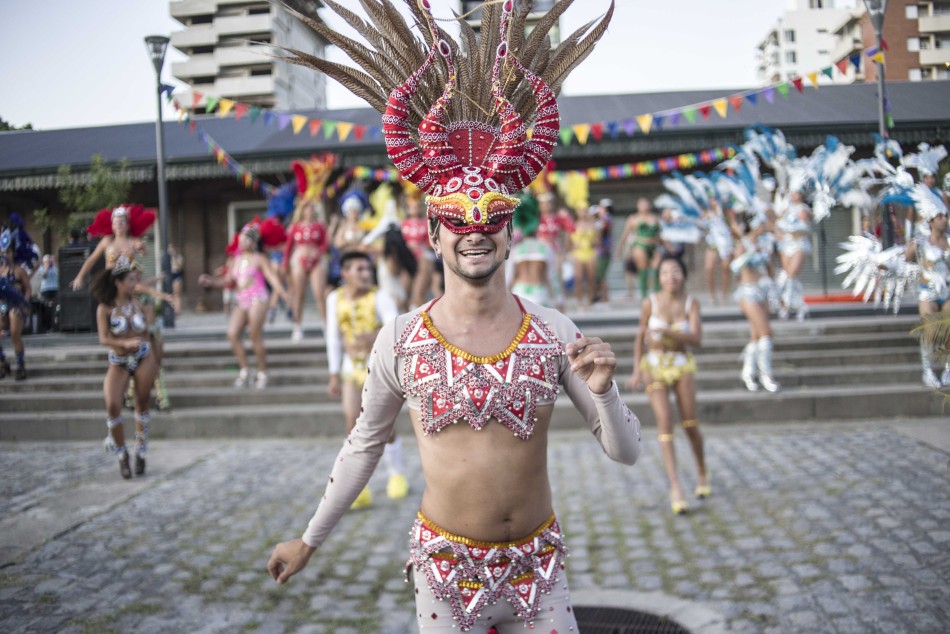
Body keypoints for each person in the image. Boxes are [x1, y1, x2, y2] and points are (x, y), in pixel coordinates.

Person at [267, 2, 638, 630]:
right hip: (444, 572)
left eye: (491, 219)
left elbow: (624, 451)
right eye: (457, 223)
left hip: (538, 570)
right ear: (433, 234)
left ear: (511, 234)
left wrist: (604, 391)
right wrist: (309, 540)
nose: (475, 233)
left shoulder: (553, 330)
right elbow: (363, 446)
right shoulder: (401, 337)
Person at [325, 250, 407, 508]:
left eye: (367, 269)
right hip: (351, 368)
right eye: (359, 269)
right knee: (352, 423)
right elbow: (333, 336)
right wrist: (333, 372)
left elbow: (395, 327)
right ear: (345, 273)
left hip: (378, 368)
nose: (365, 274)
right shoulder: (334, 299)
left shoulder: (379, 296)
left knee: (383, 424)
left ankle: (396, 473)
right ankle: (359, 486)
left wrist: (375, 336)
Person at [630, 256, 708, 514]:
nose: (670, 276)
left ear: (683, 275)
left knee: (689, 423)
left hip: (681, 363)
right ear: (658, 278)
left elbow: (696, 338)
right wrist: (636, 370)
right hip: (654, 366)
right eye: (664, 272)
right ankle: (675, 486)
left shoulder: (691, 303)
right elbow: (640, 335)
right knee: (665, 422)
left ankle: (701, 470)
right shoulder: (649, 302)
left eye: (675, 271)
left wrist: (669, 333)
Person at [89, 256, 158, 479]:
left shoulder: (138, 303)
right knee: (112, 405)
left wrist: (150, 320)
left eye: (136, 280)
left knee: (142, 401)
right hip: (118, 361)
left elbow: (148, 333)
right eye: (131, 280)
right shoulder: (105, 309)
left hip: (143, 357)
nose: (135, 284)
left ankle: (141, 450)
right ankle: (121, 454)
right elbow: (103, 338)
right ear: (118, 282)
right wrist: (124, 343)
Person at [198, 220, 288, 389]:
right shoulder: (234, 260)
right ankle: (245, 369)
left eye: (247, 239)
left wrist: (283, 293)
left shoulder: (259, 258)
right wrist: (211, 281)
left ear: (254, 242)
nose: (242, 241)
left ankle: (263, 372)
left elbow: (271, 277)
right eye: (241, 238)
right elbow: (228, 281)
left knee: (255, 336)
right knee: (232, 333)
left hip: (258, 298)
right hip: (242, 300)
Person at [905, 184, 950, 387]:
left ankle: (948, 369)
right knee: (931, 332)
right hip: (927, 292)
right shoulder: (921, 242)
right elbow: (905, 258)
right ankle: (928, 370)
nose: (945, 219)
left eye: (946, 216)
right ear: (931, 220)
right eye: (940, 216)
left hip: (948, 291)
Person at [730, 213, 780, 393]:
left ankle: (748, 372)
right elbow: (734, 267)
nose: (763, 226)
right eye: (760, 223)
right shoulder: (742, 245)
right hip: (747, 291)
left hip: (763, 291)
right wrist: (751, 252)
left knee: (756, 334)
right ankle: (766, 375)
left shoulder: (764, 243)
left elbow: (770, 269)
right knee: (766, 332)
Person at [283, 199, 329, 342]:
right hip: (299, 259)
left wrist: (319, 251)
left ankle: (326, 326)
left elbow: (325, 244)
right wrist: (285, 263)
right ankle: (297, 327)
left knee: (319, 293)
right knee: (299, 295)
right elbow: (289, 246)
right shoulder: (295, 227)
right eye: (307, 208)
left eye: (311, 208)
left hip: (316, 260)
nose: (309, 211)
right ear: (302, 211)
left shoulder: (320, 226)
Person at [774, 189, 813, 321]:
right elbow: (777, 225)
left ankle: (786, 306)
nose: (793, 195)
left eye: (796, 192)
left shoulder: (803, 209)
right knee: (789, 275)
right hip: (786, 245)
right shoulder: (785, 208)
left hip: (799, 244)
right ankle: (800, 306)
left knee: (790, 274)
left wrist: (790, 231)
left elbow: (804, 228)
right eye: (792, 192)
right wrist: (778, 232)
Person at [616, 197, 661, 300]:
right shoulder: (633, 218)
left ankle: (657, 294)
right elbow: (625, 234)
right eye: (641, 203)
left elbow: (659, 234)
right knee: (643, 269)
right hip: (640, 244)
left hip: (653, 245)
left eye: (646, 203)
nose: (644, 205)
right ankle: (644, 296)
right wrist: (620, 248)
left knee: (656, 269)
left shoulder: (655, 217)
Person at [0, 244, 31, 380]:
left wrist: (25, 302)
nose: (5, 255)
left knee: (14, 333)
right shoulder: (0, 270)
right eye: (3, 252)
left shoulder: (19, 270)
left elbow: (28, 288)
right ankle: (3, 362)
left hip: (16, 304)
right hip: (2, 305)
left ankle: (20, 366)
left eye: (8, 252)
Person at [570, 205, 599, 310]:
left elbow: (597, 241)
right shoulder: (574, 225)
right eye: (580, 211)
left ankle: (589, 299)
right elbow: (569, 241)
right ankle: (579, 301)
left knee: (591, 278)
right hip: (578, 252)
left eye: (584, 211)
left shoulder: (592, 225)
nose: (583, 213)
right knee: (578, 278)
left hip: (589, 252)